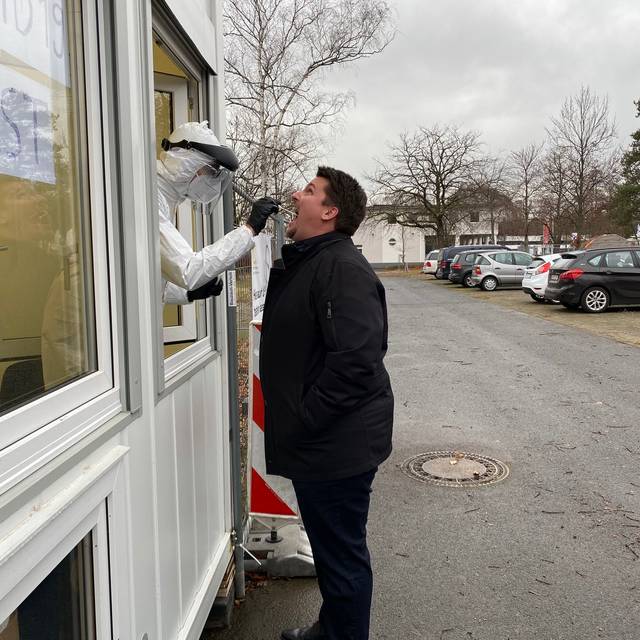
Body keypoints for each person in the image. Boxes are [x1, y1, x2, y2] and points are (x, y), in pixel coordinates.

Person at [259, 167, 394, 640]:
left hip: (335, 445)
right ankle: (332, 628)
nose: (298, 195)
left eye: (310, 191)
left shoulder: (340, 268)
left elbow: (357, 362)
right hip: (324, 442)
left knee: (342, 557)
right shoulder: (313, 260)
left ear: (330, 212)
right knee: (333, 550)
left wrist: (303, 419)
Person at [157, 121, 278, 303]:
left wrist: (188, 294)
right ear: (186, 162)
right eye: (210, 170)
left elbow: (150, 280)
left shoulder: (167, 197)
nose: (212, 180)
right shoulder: (152, 199)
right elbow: (188, 270)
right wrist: (248, 230)